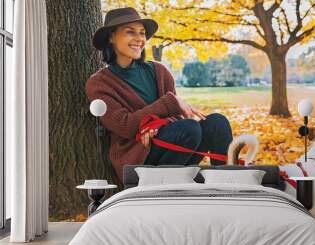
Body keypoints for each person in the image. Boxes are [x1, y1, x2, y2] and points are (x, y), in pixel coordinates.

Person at [86, 7, 233, 182]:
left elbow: (176, 118)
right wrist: (170, 103)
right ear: (111, 37)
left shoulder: (159, 71)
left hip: (173, 145)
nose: (139, 39)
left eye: (142, 33)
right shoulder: (99, 83)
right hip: (139, 156)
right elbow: (125, 126)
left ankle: (226, 184)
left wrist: (156, 126)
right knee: (189, 128)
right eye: (130, 32)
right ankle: (164, 188)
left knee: (217, 122)